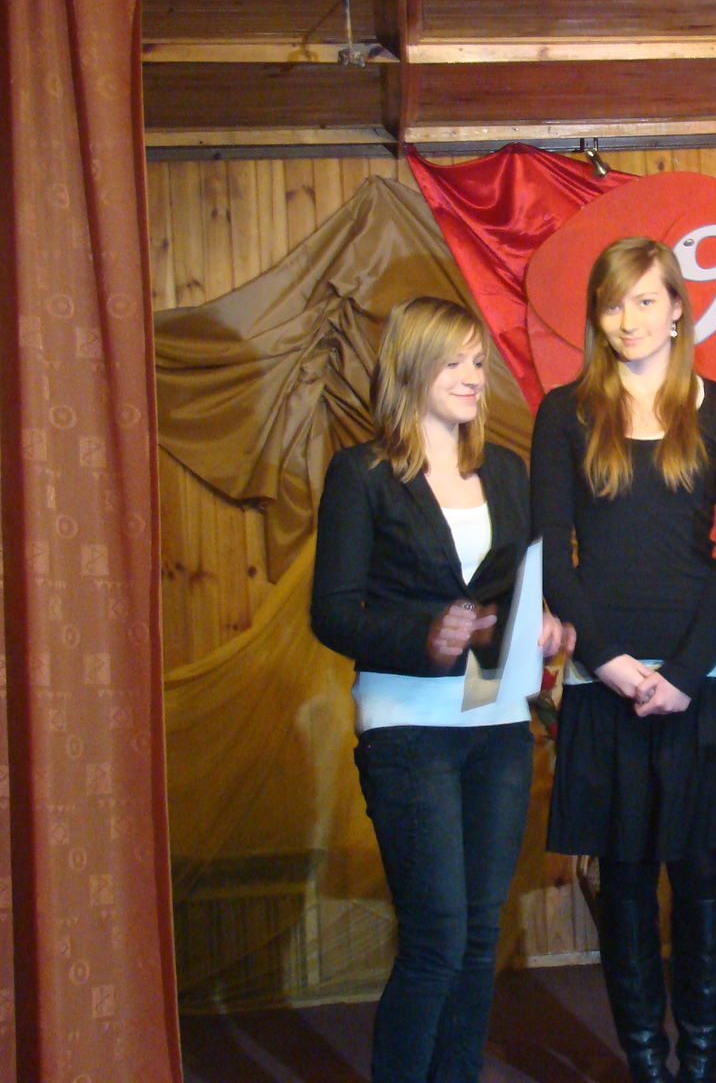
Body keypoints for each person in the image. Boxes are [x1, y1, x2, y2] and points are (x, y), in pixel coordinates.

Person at [531, 236, 716, 1083]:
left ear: (678, 307)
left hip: (701, 675)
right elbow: (551, 556)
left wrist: (683, 672)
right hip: (603, 679)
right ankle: (647, 1062)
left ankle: (699, 1065)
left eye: (645, 300)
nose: (629, 318)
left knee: (704, 877)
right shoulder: (564, 413)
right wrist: (604, 661)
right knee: (627, 880)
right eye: (612, 304)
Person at [311, 296, 572, 1083]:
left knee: (480, 935)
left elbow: (518, 587)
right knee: (436, 940)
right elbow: (333, 613)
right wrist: (424, 638)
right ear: (411, 366)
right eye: (453, 361)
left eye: (478, 362)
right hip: (407, 726)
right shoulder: (362, 473)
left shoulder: (505, 470)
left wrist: (543, 623)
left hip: (497, 722)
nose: (471, 376)